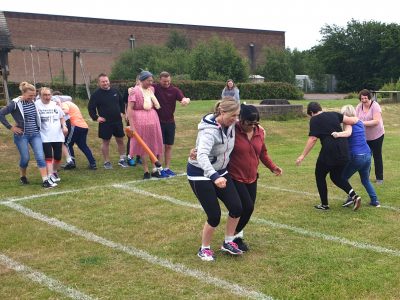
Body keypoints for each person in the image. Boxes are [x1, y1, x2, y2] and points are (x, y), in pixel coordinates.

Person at [187, 98, 243, 261]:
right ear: (222, 113)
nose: (236, 119)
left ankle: (228, 241)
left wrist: (258, 127)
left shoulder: (231, 124)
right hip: (200, 173)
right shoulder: (208, 131)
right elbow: (202, 155)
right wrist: (213, 176)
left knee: (236, 207)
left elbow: (248, 118)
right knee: (214, 215)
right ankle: (204, 248)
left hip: (220, 171)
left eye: (237, 116)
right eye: (233, 116)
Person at [229, 104, 282, 250]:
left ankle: (237, 238)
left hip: (252, 176)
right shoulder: (232, 130)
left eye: (255, 123)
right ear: (241, 119)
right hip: (235, 176)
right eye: (249, 123)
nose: (252, 126)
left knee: (247, 210)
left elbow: (262, 153)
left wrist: (273, 167)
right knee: (246, 207)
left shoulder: (259, 132)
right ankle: (230, 238)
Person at [296, 102, 362, 211]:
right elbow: (353, 120)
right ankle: (354, 196)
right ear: (320, 108)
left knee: (320, 175)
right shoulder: (334, 114)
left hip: (330, 151)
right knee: (336, 177)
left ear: (311, 112)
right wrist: (356, 120)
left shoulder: (314, 119)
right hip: (344, 150)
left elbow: (313, 139)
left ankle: (324, 204)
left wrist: (302, 155)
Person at [0, 82, 55, 188]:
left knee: (40, 156)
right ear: (23, 94)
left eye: (34, 95)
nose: (33, 97)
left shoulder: (34, 101)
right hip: (22, 135)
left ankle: (45, 180)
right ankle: (23, 176)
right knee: (25, 158)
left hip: (35, 134)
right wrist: (11, 127)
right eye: (30, 95)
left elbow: (51, 99)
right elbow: (1, 113)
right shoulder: (15, 103)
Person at [332, 105, 380, 207]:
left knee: (342, 178)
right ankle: (375, 201)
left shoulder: (348, 123)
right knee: (365, 180)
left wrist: (337, 134)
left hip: (357, 156)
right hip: (367, 154)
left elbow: (348, 133)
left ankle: (351, 197)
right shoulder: (359, 121)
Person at [127, 71, 164, 179]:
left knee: (153, 143)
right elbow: (130, 108)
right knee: (143, 144)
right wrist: (132, 125)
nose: (151, 82)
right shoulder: (134, 91)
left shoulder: (151, 89)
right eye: (148, 80)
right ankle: (146, 170)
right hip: (139, 119)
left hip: (152, 118)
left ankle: (154, 169)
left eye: (152, 80)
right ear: (142, 80)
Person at [153, 71, 190, 176]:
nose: (166, 83)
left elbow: (183, 98)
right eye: (164, 81)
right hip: (158, 122)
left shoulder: (174, 90)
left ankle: (167, 167)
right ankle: (158, 167)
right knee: (159, 146)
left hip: (170, 122)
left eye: (168, 81)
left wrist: (185, 100)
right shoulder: (154, 88)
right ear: (160, 80)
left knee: (169, 146)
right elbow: (142, 87)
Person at [88, 73, 128, 169]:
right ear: (99, 83)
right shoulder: (96, 94)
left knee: (120, 140)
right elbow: (90, 108)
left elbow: (122, 103)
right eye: (103, 82)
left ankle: (122, 159)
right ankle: (107, 162)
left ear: (109, 81)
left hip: (117, 121)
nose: (105, 83)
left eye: (106, 81)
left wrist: (123, 112)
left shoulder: (115, 91)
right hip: (105, 123)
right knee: (106, 142)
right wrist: (96, 117)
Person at [35, 87, 68, 185]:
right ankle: (49, 175)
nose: (47, 97)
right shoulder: (36, 105)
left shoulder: (55, 105)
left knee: (58, 157)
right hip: (44, 135)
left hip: (57, 135)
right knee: (48, 156)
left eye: (49, 95)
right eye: (44, 95)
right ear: (40, 96)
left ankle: (54, 172)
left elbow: (61, 117)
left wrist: (64, 126)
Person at [57, 95, 97, 170]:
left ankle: (71, 163)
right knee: (83, 145)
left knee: (67, 144)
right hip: (83, 126)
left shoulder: (64, 104)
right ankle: (93, 163)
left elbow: (65, 111)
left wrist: (57, 110)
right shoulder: (71, 103)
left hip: (75, 126)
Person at [355, 89, 385, 184]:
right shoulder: (359, 106)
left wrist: (361, 123)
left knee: (377, 156)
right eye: (362, 98)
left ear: (369, 98)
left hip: (377, 135)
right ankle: (365, 177)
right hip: (365, 136)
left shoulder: (375, 106)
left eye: (365, 98)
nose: (363, 100)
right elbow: (355, 119)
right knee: (366, 157)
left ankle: (379, 178)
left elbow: (376, 121)